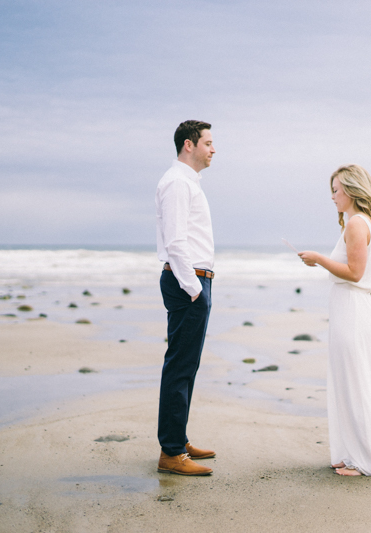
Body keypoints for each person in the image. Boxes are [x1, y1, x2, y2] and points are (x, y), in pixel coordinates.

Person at [298, 165, 371, 477]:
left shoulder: (356, 224)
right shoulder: (357, 222)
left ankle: (365, 459)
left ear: (352, 191)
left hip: (354, 311)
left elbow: (355, 273)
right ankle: (354, 452)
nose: (332, 197)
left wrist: (318, 259)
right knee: (350, 380)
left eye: (336, 190)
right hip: (352, 308)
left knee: (356, 381)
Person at [154, 120, 217, 476]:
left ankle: (178, 440)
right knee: (179, 366)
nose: (213, 149)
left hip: (192, 281)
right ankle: (171, 452)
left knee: (186, 367)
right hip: (186, 283)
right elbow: (176, 241)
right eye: (208, 143)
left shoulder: (188, 182)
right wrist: (194, 289)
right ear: (189, 145)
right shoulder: (178, 182)